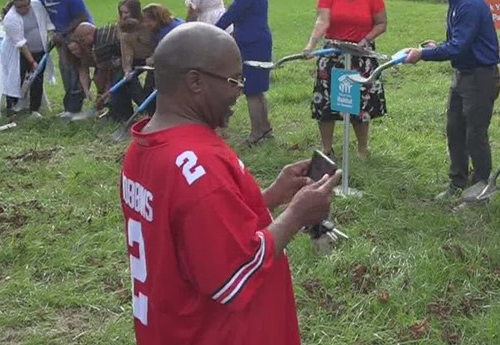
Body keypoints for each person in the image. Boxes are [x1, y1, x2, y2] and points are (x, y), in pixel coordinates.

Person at [119, 22, 340, 345]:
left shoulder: (143, 147)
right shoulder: (200, 165)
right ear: (195, 81)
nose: (238, 90)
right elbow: (235, 271)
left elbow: (199, 232)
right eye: (233, 80)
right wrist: (297, 215)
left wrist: (269, 198)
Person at [404, 0, 500, 200]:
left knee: (475, 135)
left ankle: (481, 190)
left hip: (479, 78)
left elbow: (458, 47)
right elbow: (460, 42)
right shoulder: (457, 0)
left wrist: (423, 54)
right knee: (455, 130)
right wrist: (438, 46)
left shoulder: (469, 4)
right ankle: (457, 183)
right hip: (463, 75)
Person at [303, 0, 388, 159]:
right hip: (333, 54)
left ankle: (362, 149)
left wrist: (366, 40)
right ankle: (326, 149)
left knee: (360, 105)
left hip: (361, 56)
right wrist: (311, 45)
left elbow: (381, 23)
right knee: (325, 104)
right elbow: (322, 21)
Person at [216, 0, 274, 147]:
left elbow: (232, 14)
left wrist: (210, 31)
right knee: (257, 90)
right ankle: (265, 129)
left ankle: (256, 134)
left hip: (253, 43)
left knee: (252, 90)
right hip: (256, 40)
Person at [38, 0, 93, 119]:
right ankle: (69, 105)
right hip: (59, 36)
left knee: (75, 69)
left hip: (77, 33)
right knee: (65, 68)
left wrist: (64, 34)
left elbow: (81, 17)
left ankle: (75, 106)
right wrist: (54, 33)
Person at [0, 0, 55, 116]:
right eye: (19, 7)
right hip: (18, 53)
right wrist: (32, 62)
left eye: (25, 6)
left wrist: (51, 36)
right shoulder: (10, 19)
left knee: (37, 79)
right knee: (16, 78)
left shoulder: (37, 6)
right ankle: (11, 107)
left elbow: (47, 23)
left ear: (30, 1)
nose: (23, 10)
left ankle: (34, 109)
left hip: (39, 50)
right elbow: (21, 44)